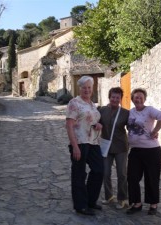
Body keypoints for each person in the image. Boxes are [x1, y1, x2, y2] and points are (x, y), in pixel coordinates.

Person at [65, 76, 104, 216]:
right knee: (79, 174)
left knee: (99, 170)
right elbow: (69, 126)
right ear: (79, 88)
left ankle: (90, 201)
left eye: (89, 87)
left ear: (92, 88)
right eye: (84, 87)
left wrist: (97, 124)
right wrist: (74, 146)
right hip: (80, 142)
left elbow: (90, 120)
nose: (87, 90)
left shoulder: (92, 104)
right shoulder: (74, 103)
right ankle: (80, 206)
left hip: (93, 142)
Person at [126, 88, 161, 215]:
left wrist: (155, 131)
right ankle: (136, 203)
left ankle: (153, 204)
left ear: (144, 99)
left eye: (140, 97)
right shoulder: (130, 112)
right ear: (132, 99)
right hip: (135, 151)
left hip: (151, 151)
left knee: (152, 178)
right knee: (132, 178)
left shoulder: (149, 110)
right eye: (136, 97)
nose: (138, 99)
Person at [99, 87, 130, 209]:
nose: (115, 99)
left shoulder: (126, 113)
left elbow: (132, 127)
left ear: (120, 99)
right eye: (113, 97)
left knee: (121, 174)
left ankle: (122, 199)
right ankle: (109, 196)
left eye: (118, 97)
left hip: (121, 146)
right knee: (105, 173)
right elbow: (93, 120)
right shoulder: (102, 110)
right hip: (106, 146)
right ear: (109, 97)